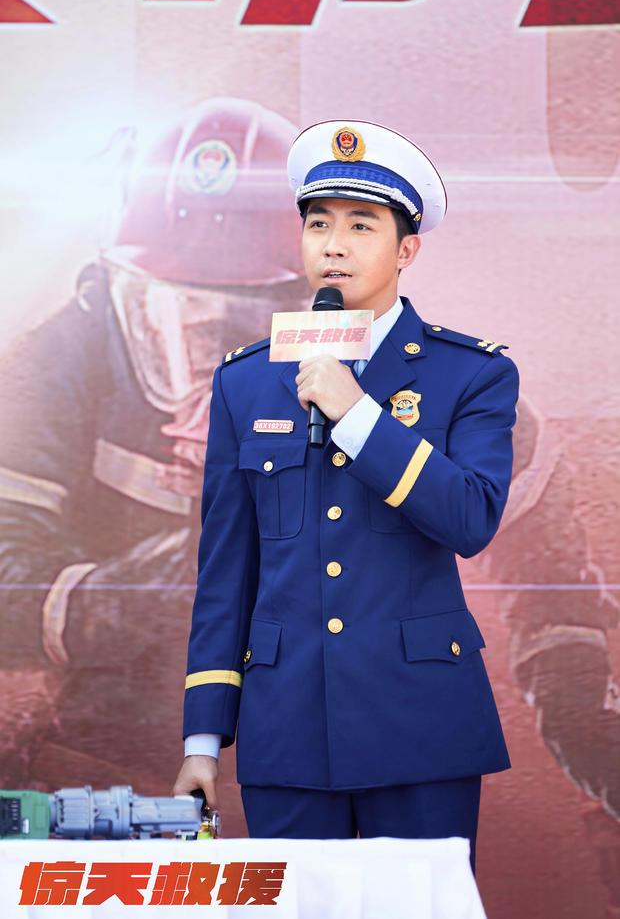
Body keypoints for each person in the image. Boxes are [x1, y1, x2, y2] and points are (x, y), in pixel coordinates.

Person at [173, 118, 520, 872]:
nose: (334, 245)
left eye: (361, 226)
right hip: (286, 727)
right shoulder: (246, 380)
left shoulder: (472, 374)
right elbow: (226, 572)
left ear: (406, 251)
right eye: (319, 224)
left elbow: (470, 518)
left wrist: (356, 414)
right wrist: (203, 739)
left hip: (420, 722)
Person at [0, 97, 308, 792]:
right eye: (171, 316)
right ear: (113, 293)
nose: (211, 367)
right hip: (102, 736)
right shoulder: (51, 368)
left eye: (254, 325)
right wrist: (129, 596)